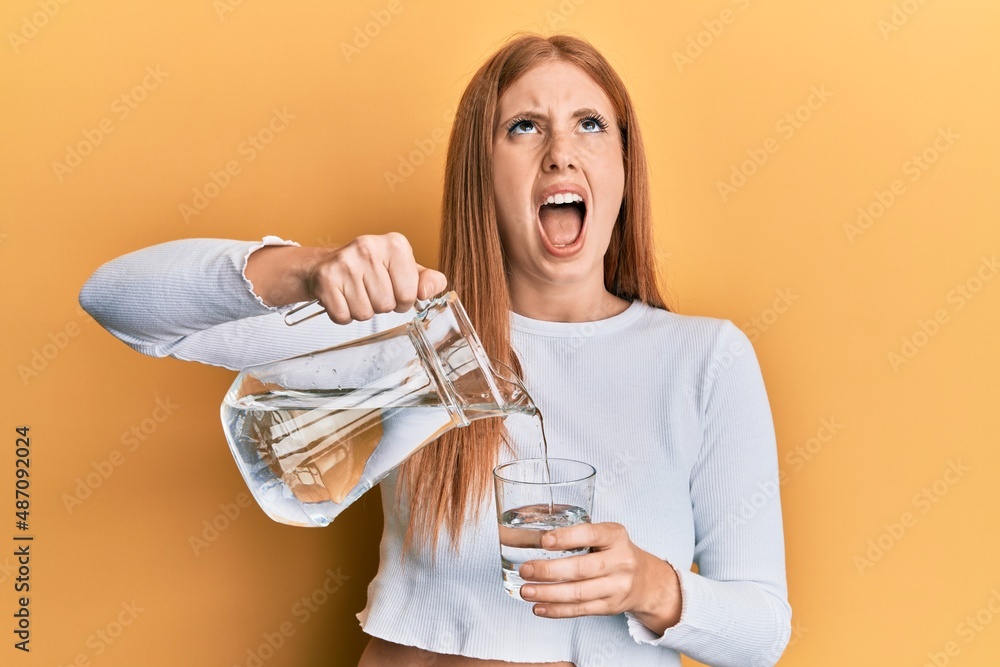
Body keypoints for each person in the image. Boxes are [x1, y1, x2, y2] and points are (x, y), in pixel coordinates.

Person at [80, 33, 791, 667]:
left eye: (590, 124)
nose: (561, 152)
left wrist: (652, 584)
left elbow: (762, 633)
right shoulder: (411, 329)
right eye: (524, 126)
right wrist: (307, 269)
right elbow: (117, 300)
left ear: (624, 168)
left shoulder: (706, 359)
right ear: (481, 173)